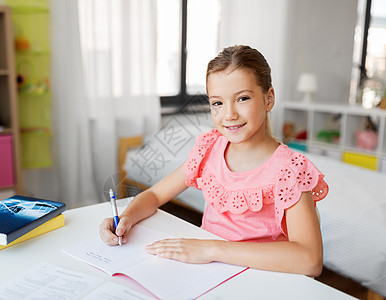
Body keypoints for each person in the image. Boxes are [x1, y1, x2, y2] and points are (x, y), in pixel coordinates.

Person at [99, 45, 328, 277]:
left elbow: (310, 260)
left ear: (269, 99)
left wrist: (212, 249)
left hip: (259, 278)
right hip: (206, 273)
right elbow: (155, 195)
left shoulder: (290, 169)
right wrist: (126, 218)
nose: (229, 115)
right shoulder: (209, 149)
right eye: (217, 103)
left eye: (243, 98)